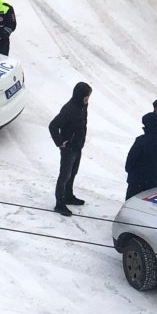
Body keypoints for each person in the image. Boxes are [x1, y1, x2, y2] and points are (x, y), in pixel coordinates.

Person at [48, 82, 92, 216]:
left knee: (73, 173)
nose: (88, 99)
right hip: (68, 149)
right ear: (80, 96)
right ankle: (59, 204)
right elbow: (53, 125)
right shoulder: (70, 109)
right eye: (86, 96)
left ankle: (68, 196)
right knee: (64, 176)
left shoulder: (82, 106)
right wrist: (60, 142)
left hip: (77, 146)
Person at [124, 112, 157, 199]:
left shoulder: (141, 140)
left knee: (132, 201)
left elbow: (131, 159)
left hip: (137, 179)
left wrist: (129, 170)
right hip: (153, 178)